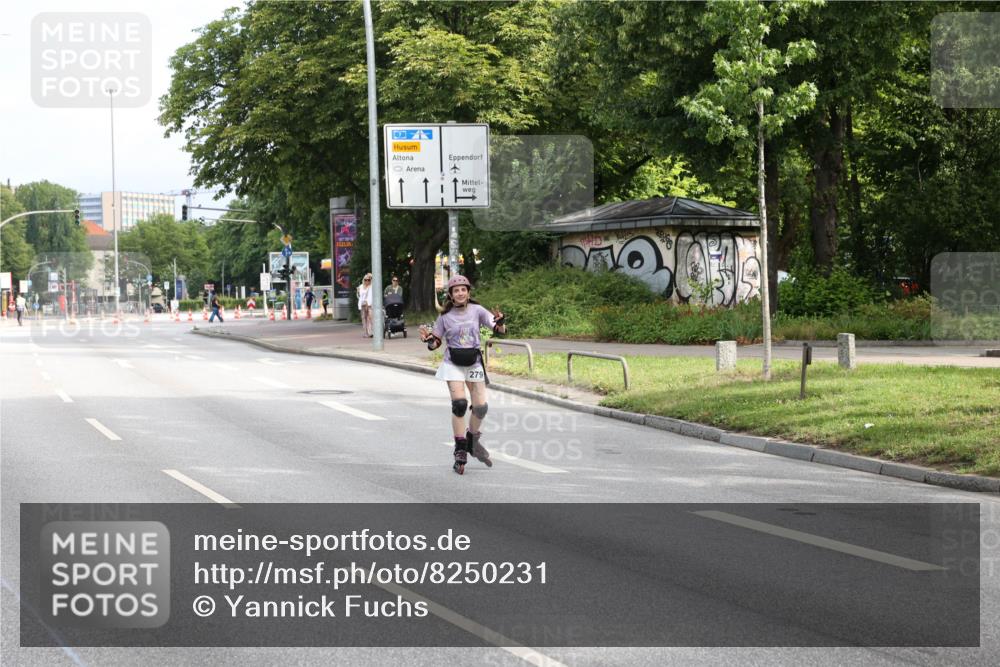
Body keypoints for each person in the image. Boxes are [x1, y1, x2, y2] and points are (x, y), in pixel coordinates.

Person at [419, 275, 506, 475]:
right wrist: (429, 341)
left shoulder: (477, 311)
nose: (460, 293)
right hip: (453, 363)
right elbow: (436, 342)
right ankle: (460, 448)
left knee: (481, 408)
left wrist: (501, 322)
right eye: (456, 290)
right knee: (459, 405)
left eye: (463, 290)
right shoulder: (445, 316)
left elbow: (499, 329)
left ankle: (472, 440)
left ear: (468, 292)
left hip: (474, 361)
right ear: (450, 294)